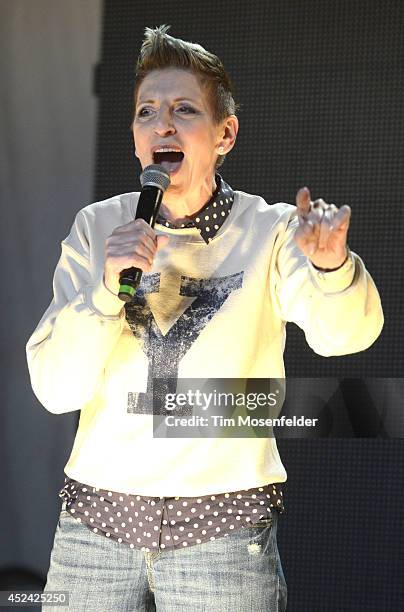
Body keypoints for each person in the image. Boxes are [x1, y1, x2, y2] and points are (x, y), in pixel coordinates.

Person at [26, 24, 383, 612]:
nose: (162, 124)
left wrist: (331, 265)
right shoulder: (97, 229)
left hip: (222, 534)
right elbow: (55, 389)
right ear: (137, 140)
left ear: (225, 134)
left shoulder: (270, 231)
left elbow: (347, 337)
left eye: (183, 109)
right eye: (147, 112)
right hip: (94, 530)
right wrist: (106, 290)